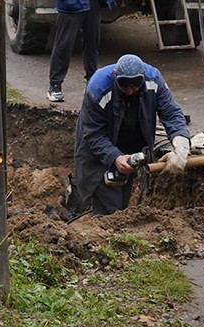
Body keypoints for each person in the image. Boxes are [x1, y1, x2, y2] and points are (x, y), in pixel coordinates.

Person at [72, 54, 191, 215]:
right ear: (115, 76)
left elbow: (171, 113)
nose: (130, 91)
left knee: (122, 200)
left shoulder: (154, 80)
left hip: (130, 144)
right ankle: (101, 225)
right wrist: (115, 157)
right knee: (109, 204)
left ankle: (117, 224)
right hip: (100, 148)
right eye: (124, 85)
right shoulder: (98, 88)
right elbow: (93, 134)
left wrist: (181, 144)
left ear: (143, 77)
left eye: (136, 85)